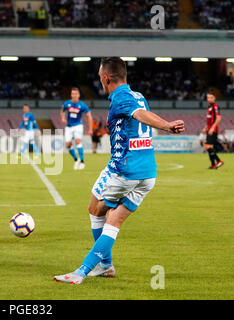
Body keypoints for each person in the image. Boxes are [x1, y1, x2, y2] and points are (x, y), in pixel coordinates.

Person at [54, 57, 185, 284]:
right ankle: (104, 267)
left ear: (106, 78)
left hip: (124, 170)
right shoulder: (137, 95)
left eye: (99, 78)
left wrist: (166, 125)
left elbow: (138, 115)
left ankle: (85, 271)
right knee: (111, 218)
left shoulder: (121, 98)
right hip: (147, 173)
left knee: (97, 210)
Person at [60, 87, 93, 170]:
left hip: (78, 125)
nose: (74, 95)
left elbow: (89, 116)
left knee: (78, 141)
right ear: (71, 95)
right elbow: (62, 111)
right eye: (73, 94)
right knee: (68, 145)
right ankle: (76, 159)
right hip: (69, 126)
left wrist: (90, 129)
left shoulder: (82, 105)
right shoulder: (67, 103)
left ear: (79, 95)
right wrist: (63, 118)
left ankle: (82, 161)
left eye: (76, 94)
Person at [202, 93, 223, 169]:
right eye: (207, 97)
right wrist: (206, 128)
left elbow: (218, 118)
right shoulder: (209, 107)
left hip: (213, 130)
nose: (209, 99)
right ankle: (213, 164)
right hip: (209, 129)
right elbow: (210, 120)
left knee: (207, 146)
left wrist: (212, 128)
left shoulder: (215, 106)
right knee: (209, 147)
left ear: (214, 98)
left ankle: (218, 161)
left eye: (211, 97)